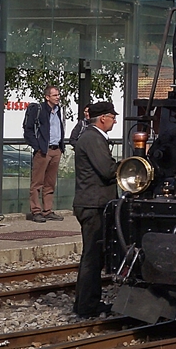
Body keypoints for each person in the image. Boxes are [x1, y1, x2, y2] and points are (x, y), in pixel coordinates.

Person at [73, 100, 118, 318]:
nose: (114, 122)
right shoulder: (93, 139)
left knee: (93, 256)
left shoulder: (92, 137)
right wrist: (129, 166)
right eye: (112, 118)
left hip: (93, 203)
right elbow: (107, 170)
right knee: (92, 257)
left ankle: (85, 302)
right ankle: (87, 306)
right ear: (102, 118)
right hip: (93, 204)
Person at [22, 85, 68, 222]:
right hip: (43, 151)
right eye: (55, 95)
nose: (58, 97)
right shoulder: (39, 110)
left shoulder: (59, 110)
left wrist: (60, 148)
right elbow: (28, 130)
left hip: (56, 149)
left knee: (50, 183)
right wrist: (38, 147)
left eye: (58, 95)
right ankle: (36, 211)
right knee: (37, 182)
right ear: (47, 97)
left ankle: (47, 210)